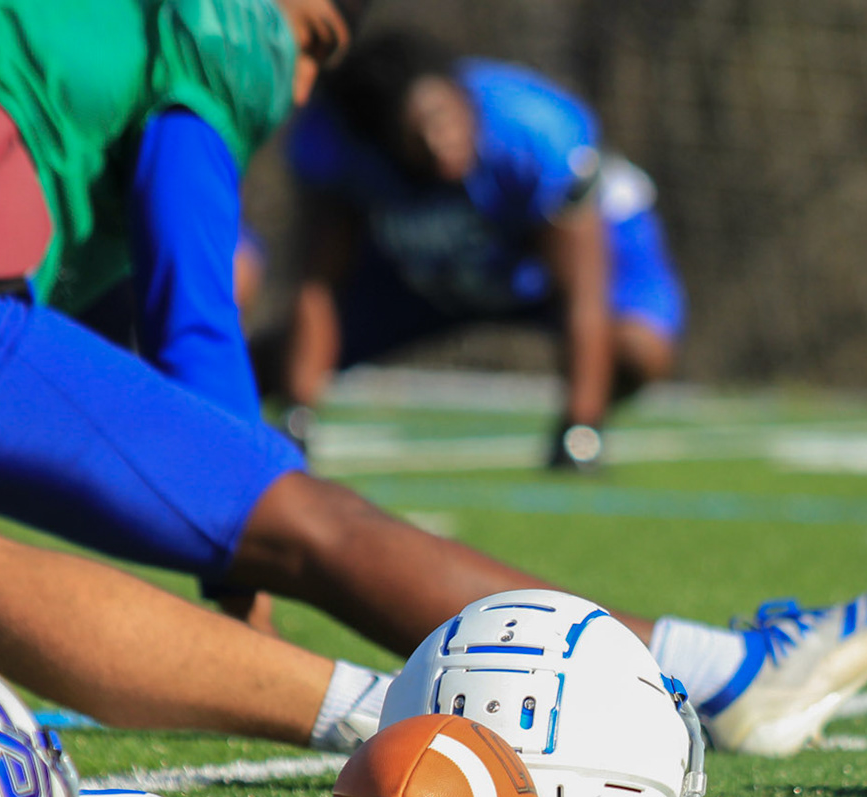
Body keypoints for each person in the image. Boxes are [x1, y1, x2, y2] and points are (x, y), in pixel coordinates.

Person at [0, 0, 867, 756]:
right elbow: (191, 279)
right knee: (307, 517)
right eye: (315, 44)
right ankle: (718, 671)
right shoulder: (232, 25)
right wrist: (238, 518)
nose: (303, 81)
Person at [269, 27, 685, 472]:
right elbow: (321, 285)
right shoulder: (343, 150)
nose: (438, 141)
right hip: (423, 278)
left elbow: (584, 294)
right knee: (264, 362)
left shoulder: (533, 130)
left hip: (534, 274)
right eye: (417, 133)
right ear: (381, 138)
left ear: (462, 100)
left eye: (443, 119)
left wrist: (580, 430)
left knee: (638, 353)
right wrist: (299, 416)